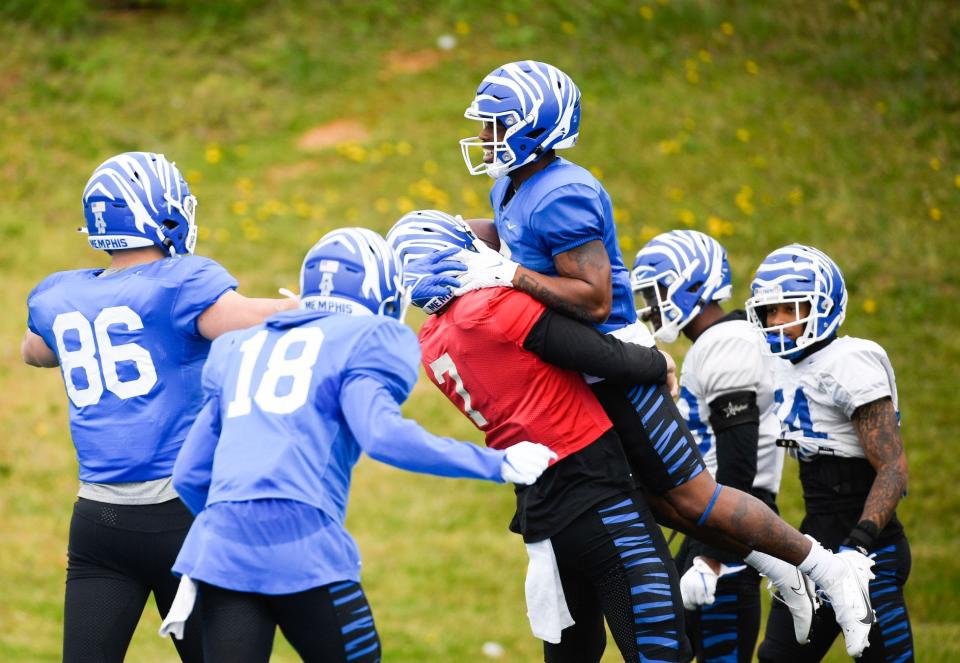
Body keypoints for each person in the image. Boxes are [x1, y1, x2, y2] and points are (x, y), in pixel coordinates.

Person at [433, 59, 880, 657]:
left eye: (497, 124)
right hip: (583, 368)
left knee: (693, 498)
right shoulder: (514, 181)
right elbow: (516, 234)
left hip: (612, 357)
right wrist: (455, 235)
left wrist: (507, 273)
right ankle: (780, 568)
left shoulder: (564, 192)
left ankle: (825, 570)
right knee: (647, 498)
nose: (487, 137)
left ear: (536, 127)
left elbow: (592, 299)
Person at [165, 227, 556, 663]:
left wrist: (235, 526)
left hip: (220, 549)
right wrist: (495, 463)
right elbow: (383, 436)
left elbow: (190, 473)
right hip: (303, 539)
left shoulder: (237, 346)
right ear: (381, 296)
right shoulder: (367, 337)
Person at [21, 151, 297, 663]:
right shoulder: (181, 282)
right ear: (163, 212)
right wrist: (313, 306)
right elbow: (246, 319)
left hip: (98, 523)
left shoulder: (61, 294)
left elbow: (33, 352)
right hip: (184, 519)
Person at [387, 210, 690, 663]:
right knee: (660, 650)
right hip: (598, 498)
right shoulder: (494, 307)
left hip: (542, 516)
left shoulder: (431, 342)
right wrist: (658, 362)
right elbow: (600, 354)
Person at [746, 244, 913, 662]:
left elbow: (893, 467)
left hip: (870, 550)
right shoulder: (781, 363)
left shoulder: (850, 361)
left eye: (788, 309)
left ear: (822, 306)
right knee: (777, 658)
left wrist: (858, 547)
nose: (776, 321)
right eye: (769, 312)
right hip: (814, 543)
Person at [631, 230, 789, 662]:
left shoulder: (727, 343)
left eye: (658, 290)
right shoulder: (712, 344)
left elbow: (740, 462)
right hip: (710, 523)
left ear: (694, 285)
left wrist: (714, 558)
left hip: (730, 530)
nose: (651, 304)